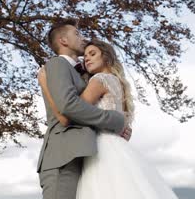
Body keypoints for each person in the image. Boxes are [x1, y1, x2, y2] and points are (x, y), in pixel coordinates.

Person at [38, 39, 180, 199]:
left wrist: (45, 85)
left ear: (106, 57)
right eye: (85, 57)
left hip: (101, 148)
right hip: (118, 147)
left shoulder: (98, 80)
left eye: (92, 54)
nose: (87, 59)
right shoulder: (118, 82)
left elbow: (72, 111)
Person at [36, 20, 132, 199]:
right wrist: (114, 120)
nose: (82, 38)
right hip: (63, 156)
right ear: (64, 41)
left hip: (80, 154)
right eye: (77, 34)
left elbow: (81, 109)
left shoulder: (82, 74)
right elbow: (68, 108)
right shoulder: (58, 64)